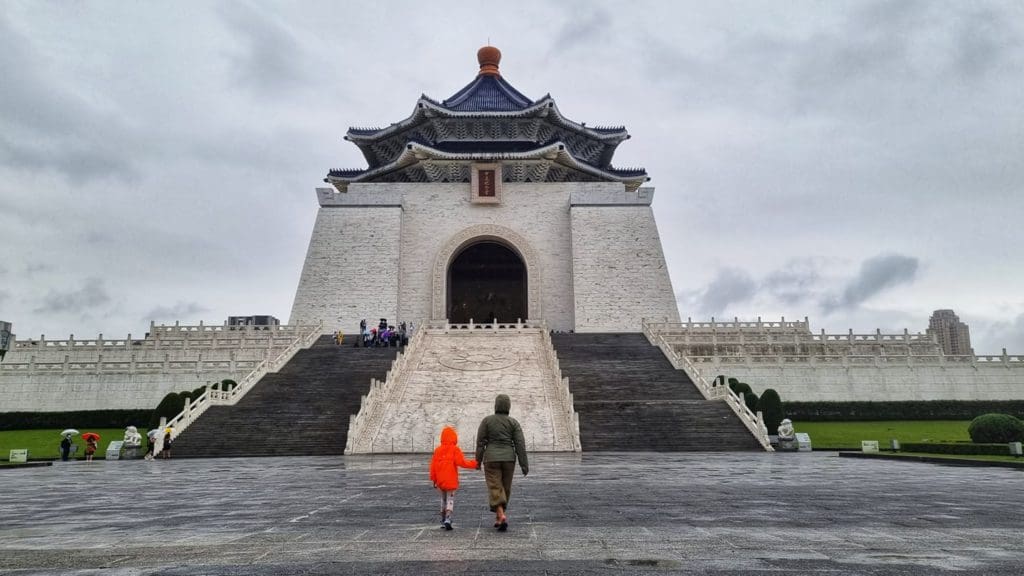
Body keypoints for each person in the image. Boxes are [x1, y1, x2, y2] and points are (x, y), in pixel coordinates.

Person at [475, 394, 529, 532]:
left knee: (495, 486)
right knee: (505, 488)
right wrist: (524, 464)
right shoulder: (513, 423)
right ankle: (499, 517)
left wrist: (478, 460)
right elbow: (520, 444)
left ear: (496, 405)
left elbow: (481, 442)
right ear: (508, 406)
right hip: (509, 459)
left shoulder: (487, 421)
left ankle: (500, 514)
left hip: (491, 458)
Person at [429, 426, 477, 531]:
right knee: (450, 499)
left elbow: (433, 466)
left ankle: (442, 520)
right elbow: (462, 462)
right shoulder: (455, 449)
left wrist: (434, 479)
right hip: (451, 480)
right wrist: (475, 464)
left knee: (443, 499)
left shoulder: (437, 450)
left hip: (440, 480)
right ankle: (448, 518)